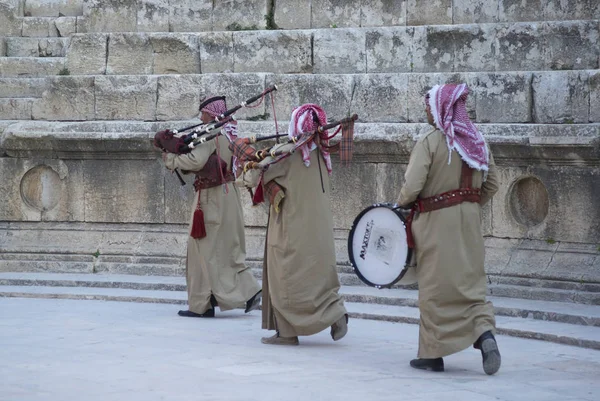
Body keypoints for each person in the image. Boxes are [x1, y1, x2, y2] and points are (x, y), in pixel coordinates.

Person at [397, 84, 501, 375]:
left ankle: (432, 355)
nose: (426, 111)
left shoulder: (431, 141)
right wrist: (467, 205)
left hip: (434, 223)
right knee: (471, 286)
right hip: (468, 224)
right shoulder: (476, 139)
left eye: (429, 106)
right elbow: (492, 183)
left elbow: (412, 187)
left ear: (441, 108)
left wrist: (402, 203)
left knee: (434, 287)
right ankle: (484, 333)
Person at [234, 104, 348, 345]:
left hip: (290, 230)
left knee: (285, 277)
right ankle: (335, 313)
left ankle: (286, 332)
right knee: (319, 276)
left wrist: (243, 154)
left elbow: (252, 175)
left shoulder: (287, 153)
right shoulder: (322, 153)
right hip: (319, 231)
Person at [161, 95, 262, 318]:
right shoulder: (226, 133)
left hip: (211, 197)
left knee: (200, 249)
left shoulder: (209, 133)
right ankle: (208, 301)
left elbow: (196, 161)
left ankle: (213, 301)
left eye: (204, 112)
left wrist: (171, 159)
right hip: (227, 194)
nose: (200, 116)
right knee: (226, 248)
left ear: (211, 114)